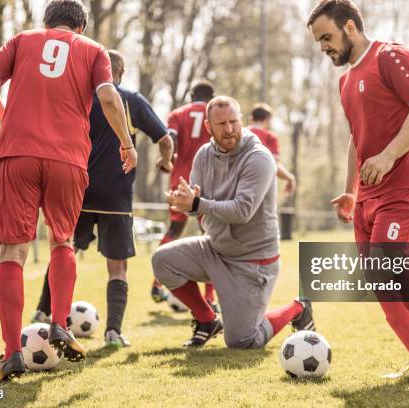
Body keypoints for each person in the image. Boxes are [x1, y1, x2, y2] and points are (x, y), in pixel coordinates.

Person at [0, 0, 137, 383]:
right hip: (68, 157)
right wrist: (126, 143)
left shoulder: (22, 39)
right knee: (62, 240)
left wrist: (4, 114)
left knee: (13, 250)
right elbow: (108, 97)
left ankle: (12, 353)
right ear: (80, 26)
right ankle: (60, 324)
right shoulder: (93, 49)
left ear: (46, 22)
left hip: (18, 153)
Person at [308, 0, 409, 382]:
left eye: (327, 37)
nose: (324, 47)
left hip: (407, 184)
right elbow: (355, 139)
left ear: (350, 28)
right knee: (378, 278)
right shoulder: (345, 81)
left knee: (387, 263)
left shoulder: (391, 56)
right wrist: (350, 190)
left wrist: (390, 156)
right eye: (318, 41)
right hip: (370, 194)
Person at [29, 50, 174, 348]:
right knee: (117, 265)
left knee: (62, 251)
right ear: (121, 71)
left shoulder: (76, 98)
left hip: (77, 190)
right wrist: (165, 162)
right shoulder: (131, 100)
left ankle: (42, 311)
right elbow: (165, 139)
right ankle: (113, 331)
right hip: (116, 195)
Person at [152, 96, 314, 348]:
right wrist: (185, 203)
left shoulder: (259, 158)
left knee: (242, 340)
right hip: (215, 250)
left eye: (233, 122)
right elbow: (199, 206)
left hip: (252, 261)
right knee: (162, 260)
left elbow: (242, 211)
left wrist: (196, 204)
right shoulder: (203, 155)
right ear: (208, 127)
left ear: (241, 121)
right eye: (221, 124)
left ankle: (298, 307)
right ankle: (207, 319)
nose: (229, 129)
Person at [151, 81, 217, 311]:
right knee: (209, 235)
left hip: (179, 179)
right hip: (206, 181)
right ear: (211, 97)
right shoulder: (213, 112)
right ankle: (210, 297)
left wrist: (166, 160)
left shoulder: (178, 114)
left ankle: (157, 283)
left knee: (173, 230)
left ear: (191, 95)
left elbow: (171, 139)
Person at [247, 103, 297, 194]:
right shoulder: (270, 137)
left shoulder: (241, 133)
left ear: (251, 118)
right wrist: (290, 178)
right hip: (262, 189)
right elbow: (274, 165)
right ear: (267, 119)